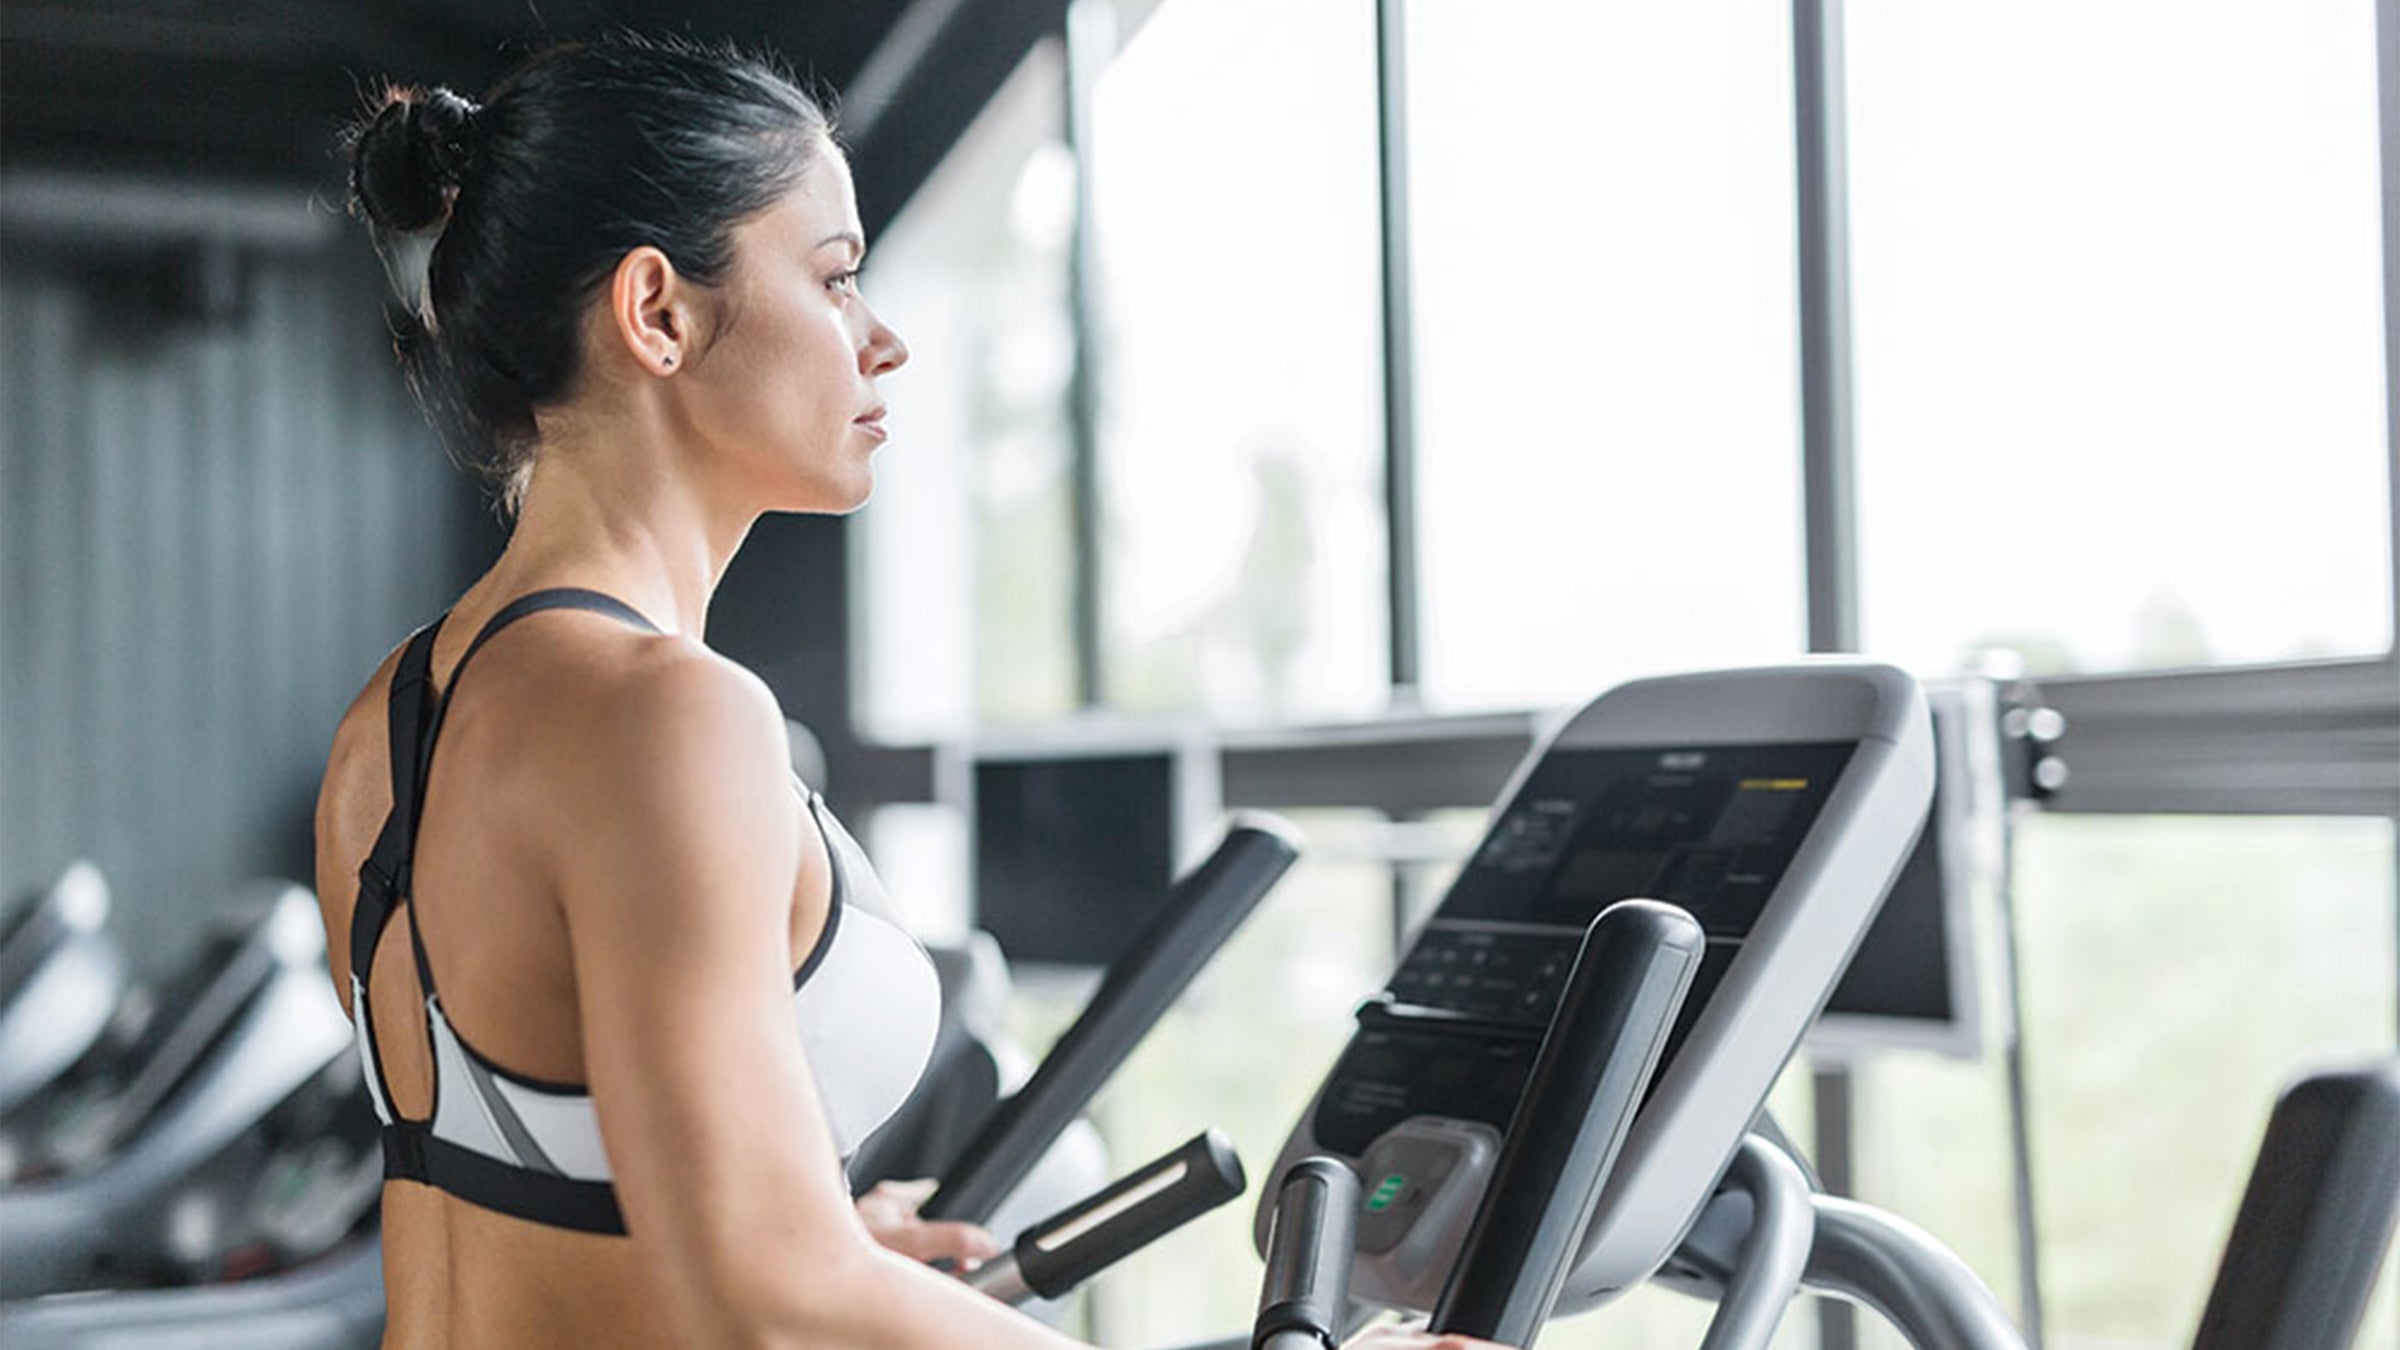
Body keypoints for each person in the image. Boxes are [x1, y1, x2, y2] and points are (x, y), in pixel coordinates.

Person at [313, 31, 1501, 1350]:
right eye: (834, 279)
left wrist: (827, 1232)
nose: (884, 343)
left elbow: (525, 1186)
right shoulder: (669, 713)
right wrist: (806, 1255)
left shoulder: (388, 724)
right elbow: (767, 1296)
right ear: (659, 312)